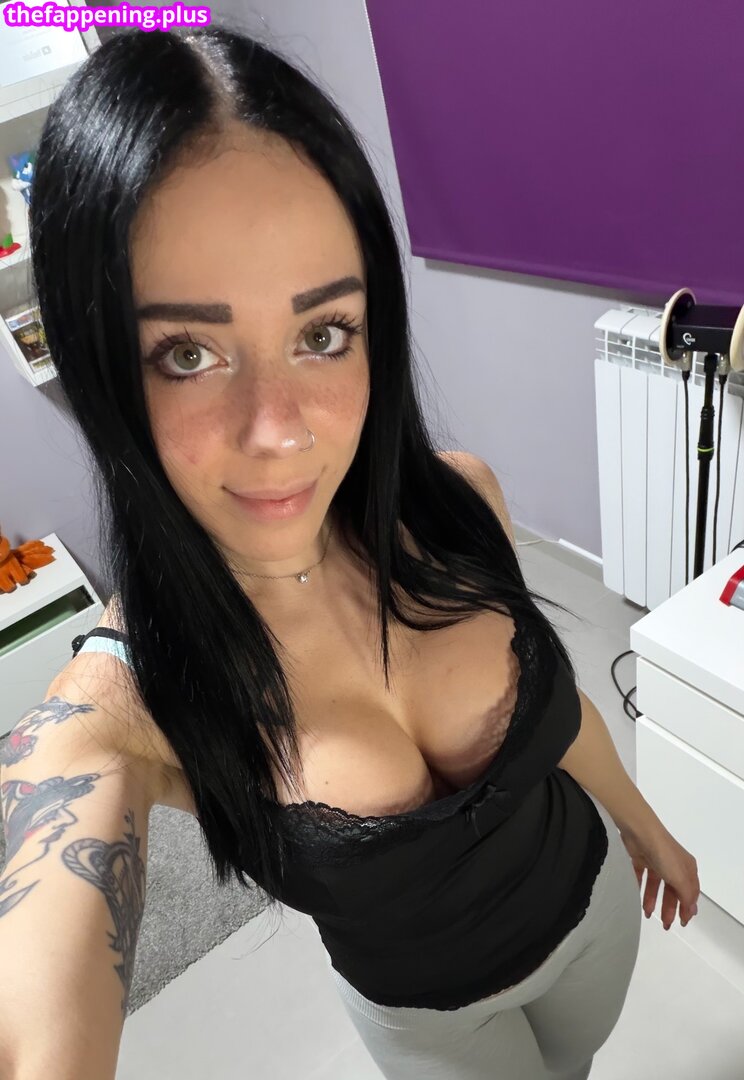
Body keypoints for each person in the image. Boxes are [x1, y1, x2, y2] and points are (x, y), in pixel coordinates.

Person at [0, 22, 700, 1080]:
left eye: (322, 333)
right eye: (186, 353)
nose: (278, 429)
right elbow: (37, 1004)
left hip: (595, 919)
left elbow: (560, 713)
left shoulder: (459, 503)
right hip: (437, 1028)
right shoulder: (135, 704)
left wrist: (646, 826)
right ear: (103, 368)